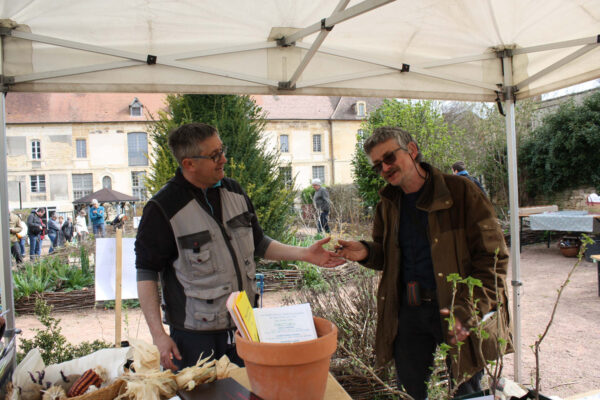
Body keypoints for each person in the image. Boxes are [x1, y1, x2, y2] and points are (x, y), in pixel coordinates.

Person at [135, 123, 343, 372]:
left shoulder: (234, 191)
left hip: (246, 327)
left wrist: (305, 254)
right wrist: (158, 335)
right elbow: (146, 272)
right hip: (195, 339)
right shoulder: (162, 209)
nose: (223, 159)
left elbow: (259, 243)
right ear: (189, 164)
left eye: (222, 150)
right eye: (214, 155)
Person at [334, 127, 511, 400]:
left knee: (465, 392)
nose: (385, 168)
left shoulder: (461, 192)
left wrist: (468, 309)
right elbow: (388, 255)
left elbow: (493, 258)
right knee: (412, 392)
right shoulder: (388, 203)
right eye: (378, 165)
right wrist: (367, 252)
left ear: (412, 151)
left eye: (390, 158)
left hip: (455, 309)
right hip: (409, 314)